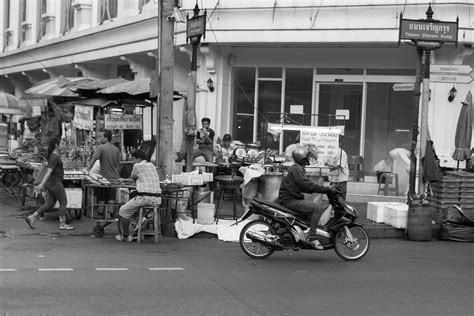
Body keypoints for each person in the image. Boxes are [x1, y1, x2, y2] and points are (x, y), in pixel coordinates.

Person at [276, 146, 338, 244]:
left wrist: (323, 189)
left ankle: (305, 231)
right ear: (302, 158)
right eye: (306, 158)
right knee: (318, 208)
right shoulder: (296, 169)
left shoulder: (295, 168)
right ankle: (312, 237)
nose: (308, 160)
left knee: (311, 208)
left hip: (289, 199)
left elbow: (305, 186)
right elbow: (307, 185)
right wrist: (326, 189)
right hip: (290, 200)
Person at [24, 137, 74, 230]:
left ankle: (32, 217)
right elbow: (48, 171)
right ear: (56, 145)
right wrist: (41, 184)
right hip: (55, 183)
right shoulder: (54, 157)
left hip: (51, 183)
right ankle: (62, 224)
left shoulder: (52, 156)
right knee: (63, 202)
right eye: (62, 143)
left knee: (50, 203)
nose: (64, 145)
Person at [115, 150, 162, 242]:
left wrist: (124, 180)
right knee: (137, 206)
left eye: (133, 159)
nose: (133, 161)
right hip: (157, 199)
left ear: (139, 159)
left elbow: (133, 178)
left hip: (144, 198)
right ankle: (139, 224)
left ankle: (125, 235)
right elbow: (138, 178)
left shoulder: (137, 166)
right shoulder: (152, 165)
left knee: (123, 210)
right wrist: (124, 180)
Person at [86, 130, 121, 214]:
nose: (100, 138)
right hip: (114, 178)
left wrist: (87, 170)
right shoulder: (116, 149)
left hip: (104, 178)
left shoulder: (101, 147)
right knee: (111, 197)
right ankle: (110, 213)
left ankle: (100, 213)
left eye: (101, 136)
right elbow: (117, 164)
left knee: (101, 197)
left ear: (106, 138)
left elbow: (94, 159)